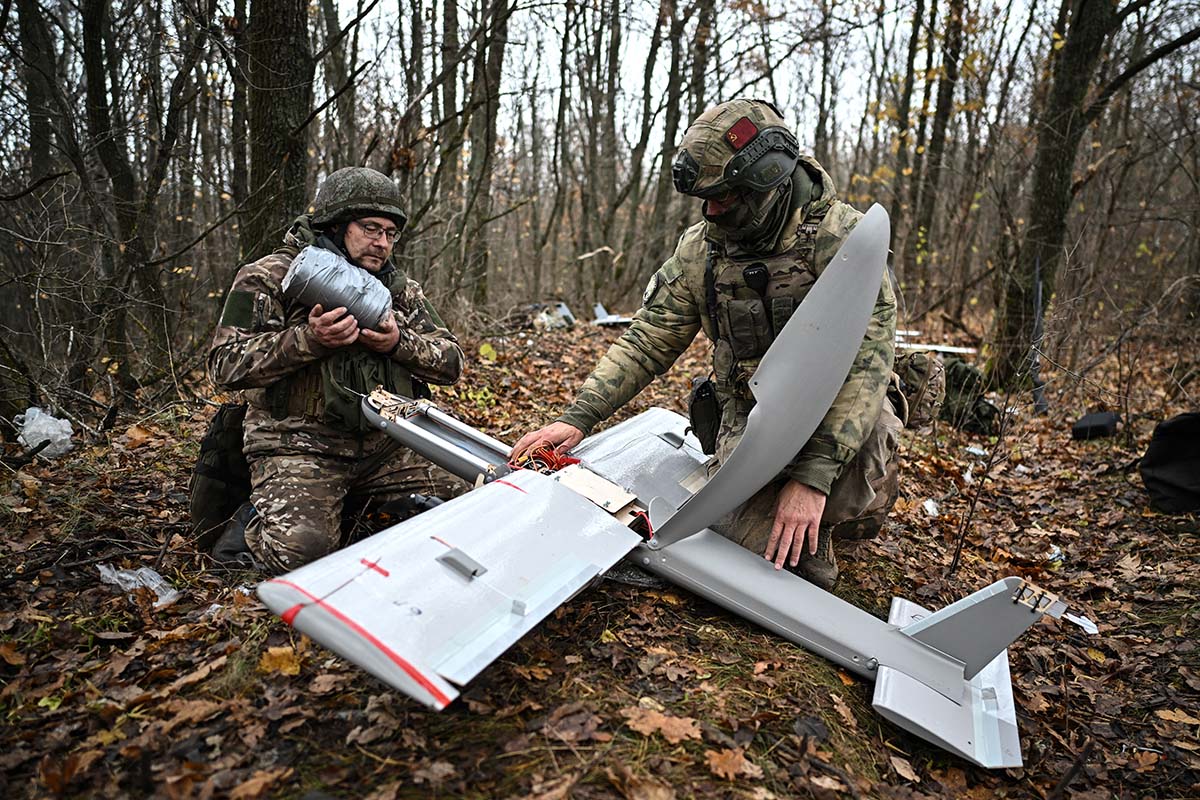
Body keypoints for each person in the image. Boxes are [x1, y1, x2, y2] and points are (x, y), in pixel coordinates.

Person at [512, 99, 905, 590]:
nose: (712, 210)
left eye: (727, 196)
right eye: (707, 197)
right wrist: (577, 418)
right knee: (722, 544)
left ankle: (842, 505)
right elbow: (648, 339)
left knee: (818, 516)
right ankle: (790, 509)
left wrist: (812, 479)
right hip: (755, 421)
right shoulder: (703, 249)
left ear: (768, 181)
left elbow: (865, 369)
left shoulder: (844, 242)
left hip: (839, 413)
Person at [207, 166, 466, 573]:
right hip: (298, 445)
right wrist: (308, 340)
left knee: (477, 501)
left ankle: (358, 506)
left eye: (390, 233)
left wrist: (399, 344)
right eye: (370, 228)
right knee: (303, 553)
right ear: (336, 225)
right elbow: (224, 366)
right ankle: (253, 523)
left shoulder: (397, 290)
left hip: (386, 445)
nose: (382, 243)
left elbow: (452, 362)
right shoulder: (270, 276)